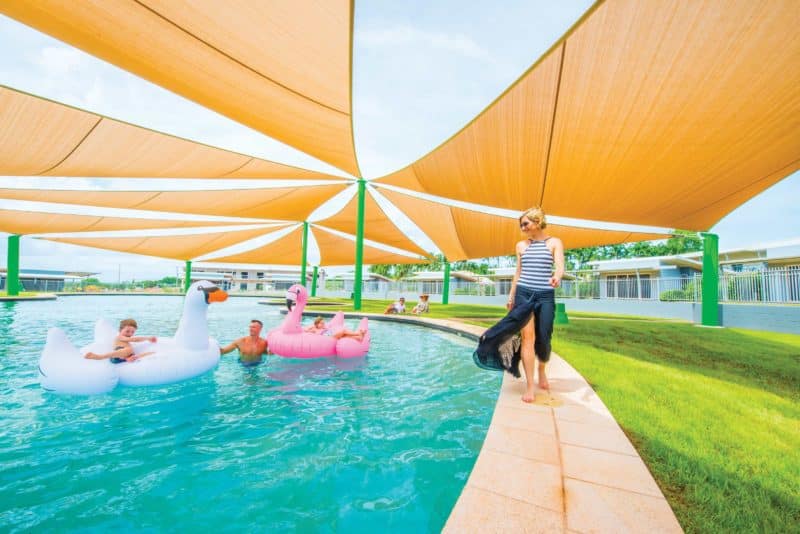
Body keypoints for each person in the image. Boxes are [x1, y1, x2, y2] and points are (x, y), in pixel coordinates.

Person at [474, 207, 564, 403]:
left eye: (525, 223)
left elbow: (560, 266)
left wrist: (557, 277)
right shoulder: (521, 246)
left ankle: (542, 371)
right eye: (521, 225)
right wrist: (511, 296)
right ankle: (530, 386)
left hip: (545, 296)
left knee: (544, 338)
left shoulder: (554, 242)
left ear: (537, 222)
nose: (522, 228)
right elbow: (518, 273)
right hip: (523, 294)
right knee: (527, 338)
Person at [84, 318, 156, 363]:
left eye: (132, 332)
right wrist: (148, 338)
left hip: (124, 357)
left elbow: (134, 339)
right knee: (129, 349)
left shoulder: (127, 342)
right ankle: (100, 357)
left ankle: (128, 359)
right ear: (120, 330)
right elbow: (134, 339)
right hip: (116, 355)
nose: (130, 333)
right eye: (127, 331)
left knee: (147, 353)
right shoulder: (120, 337)